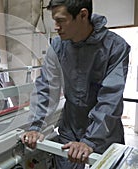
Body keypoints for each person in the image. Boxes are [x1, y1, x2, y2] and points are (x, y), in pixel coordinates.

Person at [21, 0, 131, 168]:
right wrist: (36, 126)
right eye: (54, 20)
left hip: (105, 132)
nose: (56, 27)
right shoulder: (57, 46)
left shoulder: (115, 47)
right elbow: (46, 87)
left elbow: (110, 98)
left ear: (83, 15)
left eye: (60, 20)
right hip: (70, 128)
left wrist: (91, 141)